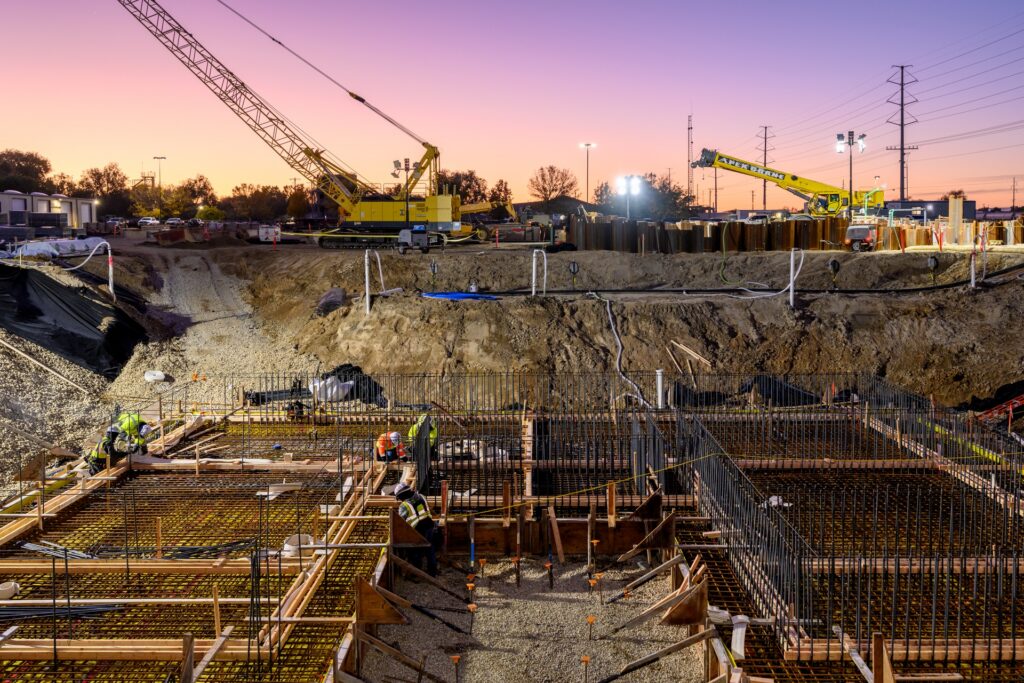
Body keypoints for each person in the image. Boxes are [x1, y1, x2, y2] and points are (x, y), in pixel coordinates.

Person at [394, 482, 440, 576]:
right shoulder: (421, 496)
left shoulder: (404, 506)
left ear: (401, 495)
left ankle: (416, 573)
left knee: (415, 551)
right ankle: (433, 571)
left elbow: (400, 522)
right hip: (430, 526)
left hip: (417, 531)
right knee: (430, 549)